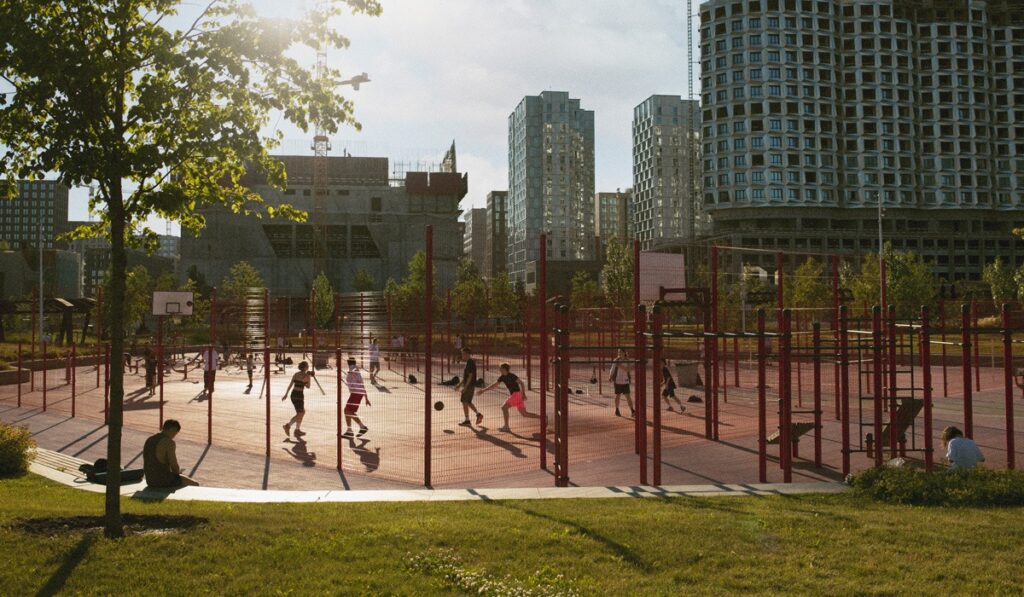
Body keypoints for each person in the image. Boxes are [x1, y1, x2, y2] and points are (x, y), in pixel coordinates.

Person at [478, 363, 541, 432]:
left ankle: (506, 426)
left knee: (504, 407)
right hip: (516, 395)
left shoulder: (512, 376)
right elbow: (494, 385)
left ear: (504, 369)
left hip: (516, 394)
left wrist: (523, 394)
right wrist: (484, 390)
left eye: (500, 368)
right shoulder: (502, 377)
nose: (499, 369)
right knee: (524, 414)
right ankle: (542, 417)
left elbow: (521, 383)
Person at [143, 419, 199, 488]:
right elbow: (174, 467)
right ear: (173, 429)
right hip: (162, 480)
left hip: (149, 480)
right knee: (195, 484)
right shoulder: (169, 442)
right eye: (176, 432)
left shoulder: (149, 439)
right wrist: (178, 472)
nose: (174, 435)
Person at [282, 361, 313, 438]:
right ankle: (288, 426)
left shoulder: (296, 374)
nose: (308, 367)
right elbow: (308, 386)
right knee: (300, 413)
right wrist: (309, 377)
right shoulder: (306, 376)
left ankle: (297, 430)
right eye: (307, 366)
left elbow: (290, 385)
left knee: (301, 412)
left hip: (293, 394)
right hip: (299, 395)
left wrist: (286, 394)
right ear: (305, 367)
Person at [342, 357, 372, 437]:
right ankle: (350, 430)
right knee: (346, 410)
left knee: (348, 411)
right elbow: (361, 384)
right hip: (355, 393)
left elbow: (354, 371)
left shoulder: (354, 369)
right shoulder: (355, 371)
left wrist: (350, 371)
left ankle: (362, 427)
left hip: (356, 393)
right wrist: (366, 398)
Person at [455, 347, 483, 427]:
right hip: (470, 385)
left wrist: (465, 387)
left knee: (464, 402)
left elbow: (470, 377)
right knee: (468, 402)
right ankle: (478, 414)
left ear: (467, 354)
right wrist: (459, 385)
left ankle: (467, 420)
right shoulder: (468, 363)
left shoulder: (470, 363)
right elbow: (466, 377)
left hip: (469, 386)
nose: (462, 355)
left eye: (463, 354)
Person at [609, 350, 635, 418]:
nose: (619, 353)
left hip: (625, 381)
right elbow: (612, 369)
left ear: (624, 353)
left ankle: (632, 410)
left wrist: (620, 366)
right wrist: (610, 376)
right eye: (618, 352)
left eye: (620, 352)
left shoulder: (627, 360)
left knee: (628, 396)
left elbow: (628, 370)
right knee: (618, 395)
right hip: (618, 381)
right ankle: (617, 410)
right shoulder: (616, 360)